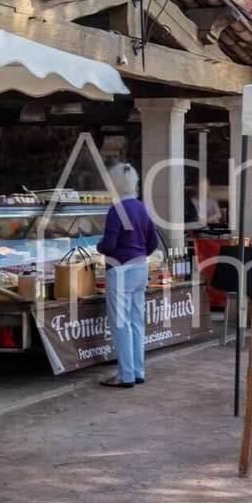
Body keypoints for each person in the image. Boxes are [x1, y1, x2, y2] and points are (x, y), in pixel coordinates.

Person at [96, 163, 160, 388]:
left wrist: (99, 247)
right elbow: (154, 242)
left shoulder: (116, 209)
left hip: (121, 270)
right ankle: (138, 371)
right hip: (141, 267)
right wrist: (139, 254)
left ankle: (125, 376)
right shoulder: (142, 208)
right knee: (136, 322)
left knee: (121, 324)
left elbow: (110, 243)